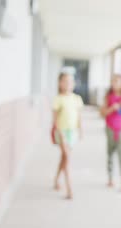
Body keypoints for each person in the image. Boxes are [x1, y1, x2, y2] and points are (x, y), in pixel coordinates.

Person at [52, 72, 83, 200]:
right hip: (62, 132)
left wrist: (81, 130)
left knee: (64, 158)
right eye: (65, 81)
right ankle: (69, 189)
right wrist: (60, 134)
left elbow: (79, 117)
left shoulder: (77, 98)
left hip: (73, 132)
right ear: (60, 83)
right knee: (67, 158)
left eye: (70, 81)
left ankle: (56, 180)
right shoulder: (58, 99)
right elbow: (55, 120)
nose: (68, 84)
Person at [100, 74, 121, 192]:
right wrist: (111, 109)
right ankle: (110, 178)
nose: (115, 83)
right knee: (110, 152)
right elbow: (102, 113)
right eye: (113, 81)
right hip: (110, 128)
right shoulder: (108, 96)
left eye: (117, 81)